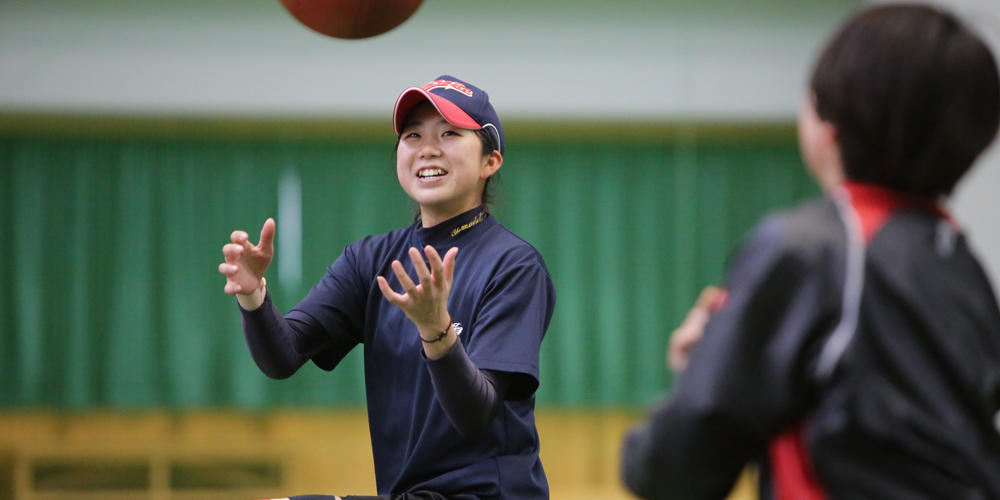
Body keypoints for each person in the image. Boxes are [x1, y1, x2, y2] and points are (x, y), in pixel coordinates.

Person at [620, 3, 1000, 499]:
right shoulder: (960, 264)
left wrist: (704, 370)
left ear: (829, 123)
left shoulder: (813, 250)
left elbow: (674, 468)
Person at [219, 75, 555, 500]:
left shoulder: (513, 265)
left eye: (449, 134)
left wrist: (437, 331)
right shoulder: (370, 260)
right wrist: (253, 295)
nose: (428, 148)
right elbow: (283, 355)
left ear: (490, 162)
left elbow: (476, 414)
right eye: (413, 135)